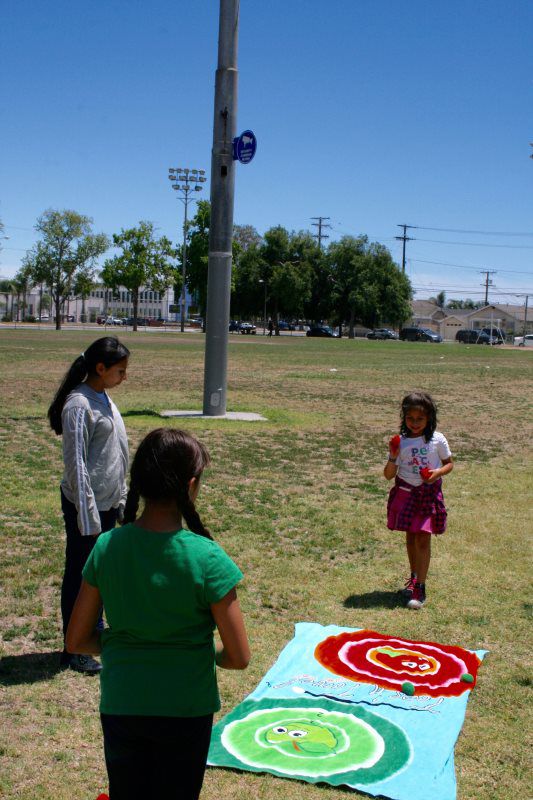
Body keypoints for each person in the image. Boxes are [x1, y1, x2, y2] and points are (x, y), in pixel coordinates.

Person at [66, 428, 250, 800]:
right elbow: (239, 657)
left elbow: (77, 639)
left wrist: (123, 645)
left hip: (123, 702)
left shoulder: (107, 547)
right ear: (192, 484)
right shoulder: (207, 558)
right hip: (186, 709)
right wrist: (204, 653)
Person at [48, 336, 130, 673]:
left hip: (108, 505)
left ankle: (92, 636)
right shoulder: (79, 405)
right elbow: (77, 465)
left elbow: (116, 453)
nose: (124, 376)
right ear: (101, 368)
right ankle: (74, 648)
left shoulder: (103, 398)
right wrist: (88, 515)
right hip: (87, 509)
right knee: (82, 579)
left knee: (99, 576)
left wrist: (122, 497)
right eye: (120, 370)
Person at [384, 391, 453, 610]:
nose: (415, 423)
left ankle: (420, 587)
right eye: (410, 418)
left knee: (423, 539)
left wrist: (436, 473)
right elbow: (387, 475)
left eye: (420, 419)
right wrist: (393, 455)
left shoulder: (437, 439)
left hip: (427, 494)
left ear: (429, 418)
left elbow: (449, 464)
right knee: (411, 538)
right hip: (405, 492)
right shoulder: (401, 442)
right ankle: (413, 580)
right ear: (404, 418)